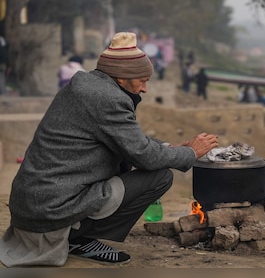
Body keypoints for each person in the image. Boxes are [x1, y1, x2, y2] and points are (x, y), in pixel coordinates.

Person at [0, 32, 219, 267]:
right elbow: (144, 156)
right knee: (159, 176)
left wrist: (169, 148)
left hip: (34, 205)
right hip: (51, 212)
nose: (144, 89)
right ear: (122, 77)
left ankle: (78, 233)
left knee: (154, 165)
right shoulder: (108, 99)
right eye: (142, 81)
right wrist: (191, 153)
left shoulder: (89, 85)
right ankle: (78, 238)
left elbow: (128, 140)